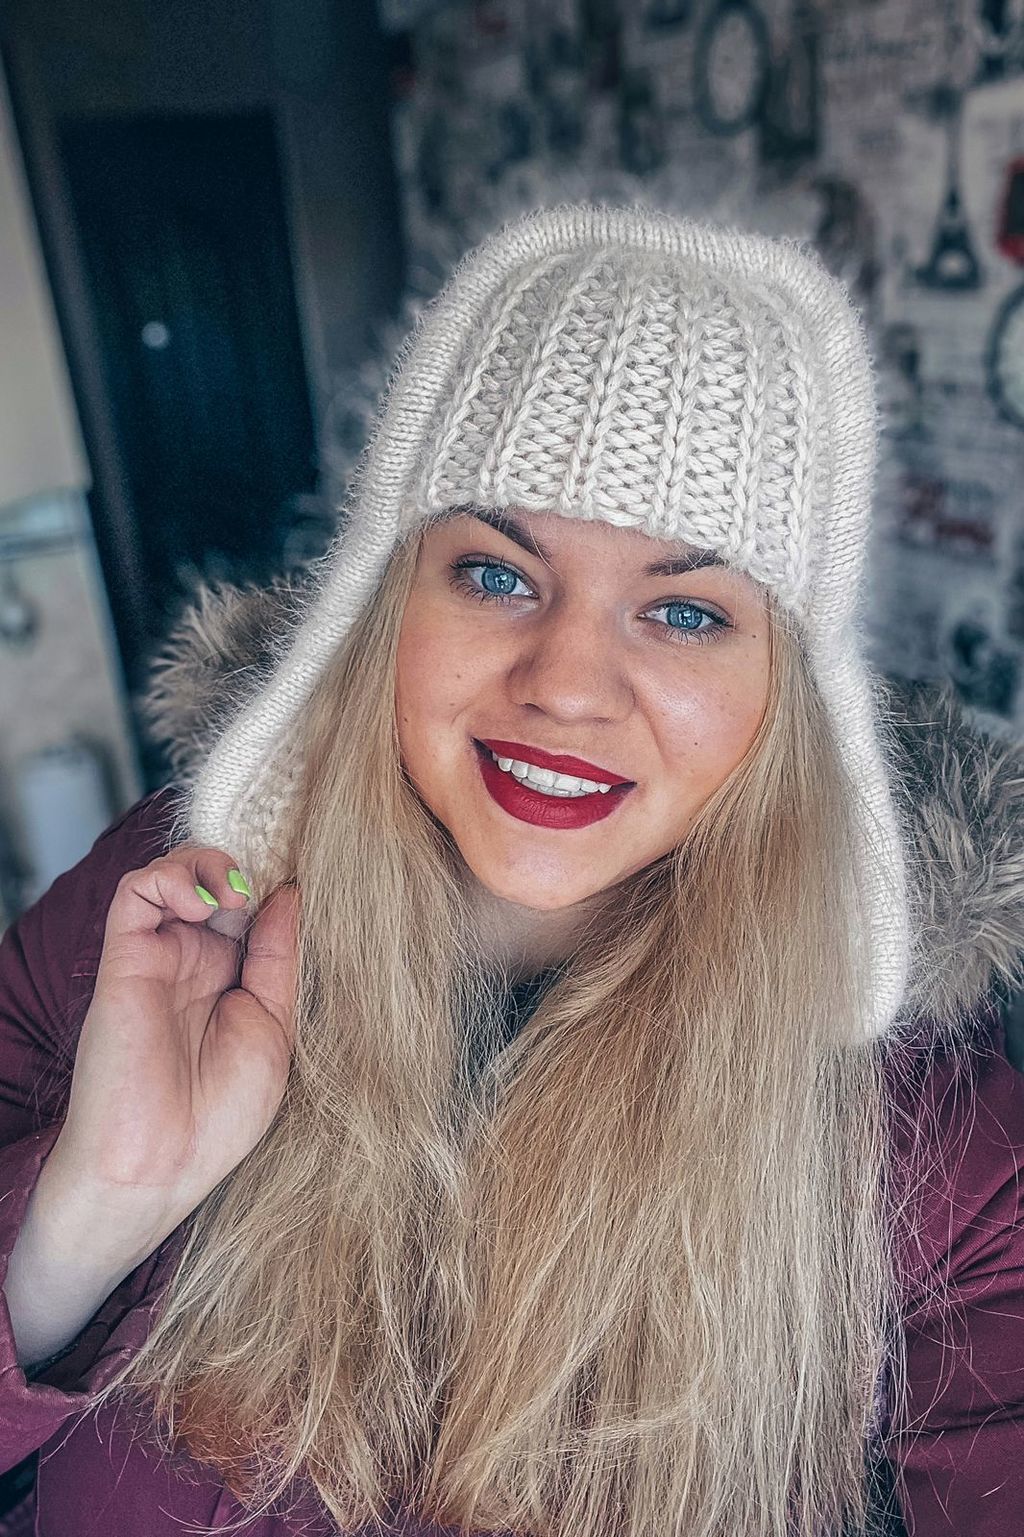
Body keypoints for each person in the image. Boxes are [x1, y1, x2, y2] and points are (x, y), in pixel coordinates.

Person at [0, 201, 1021, 1537]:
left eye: (685, 610)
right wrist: (89, 1212)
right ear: (385, 605)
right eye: (494, 575)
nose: (566, 685)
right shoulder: (160, 920)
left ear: (790, 698)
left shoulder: (945, 1157)